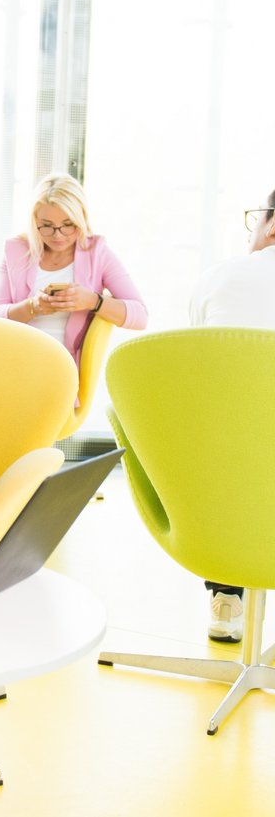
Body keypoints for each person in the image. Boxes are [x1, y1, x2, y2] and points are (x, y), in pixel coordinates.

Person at [187, 188, 275, 644]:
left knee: (227, 434)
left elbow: (194, 365)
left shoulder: (217, 278)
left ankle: (227, 596)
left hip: (221, 481)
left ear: (272, 223)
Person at [0, 173, 147, 365]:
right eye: (47, 226)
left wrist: (92, 301)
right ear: (34, 222)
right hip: (16, 359)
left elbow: (140, 316)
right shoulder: (16, 250)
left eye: (68, 225)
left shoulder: (97, 253)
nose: (58, 236)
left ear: (81, 219)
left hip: (63, 367)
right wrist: (33, 307)